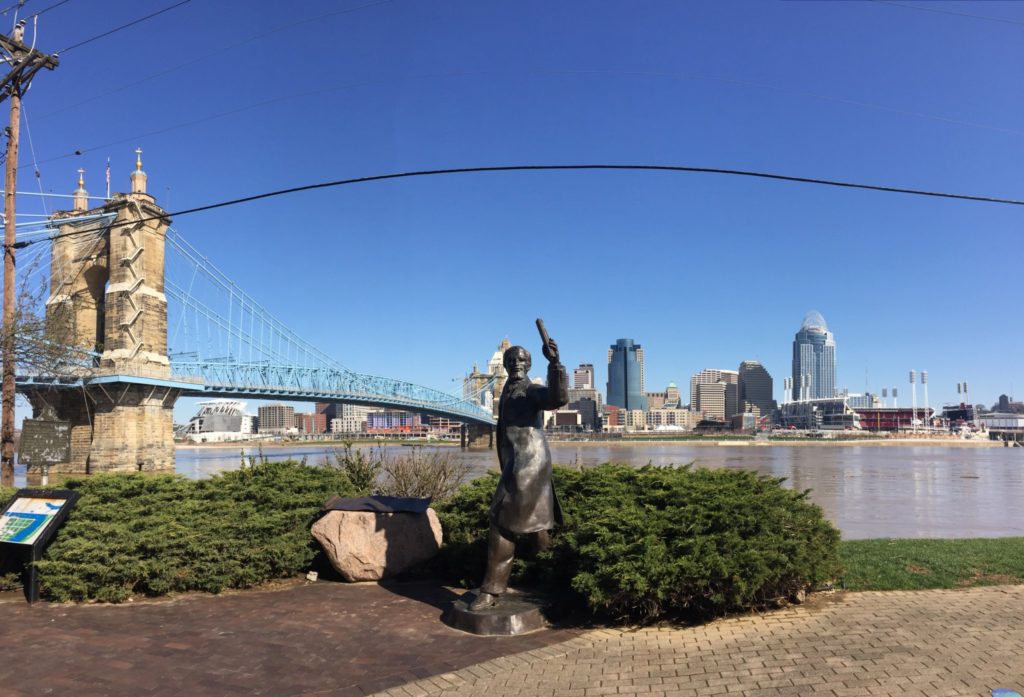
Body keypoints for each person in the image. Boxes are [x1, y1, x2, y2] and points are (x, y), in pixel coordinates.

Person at [469, 338, 568, 611]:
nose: (516, 365)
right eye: (511, 361)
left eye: (522, 360)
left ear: (530, 364)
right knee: (537, 524)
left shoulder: (530, 391)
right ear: (505, 365)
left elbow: (557, 398)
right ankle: (556, 579)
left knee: (501, 522)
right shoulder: (506, 390)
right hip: (519, 464)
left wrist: (555, 365)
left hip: (529, 464)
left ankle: (491, 590)